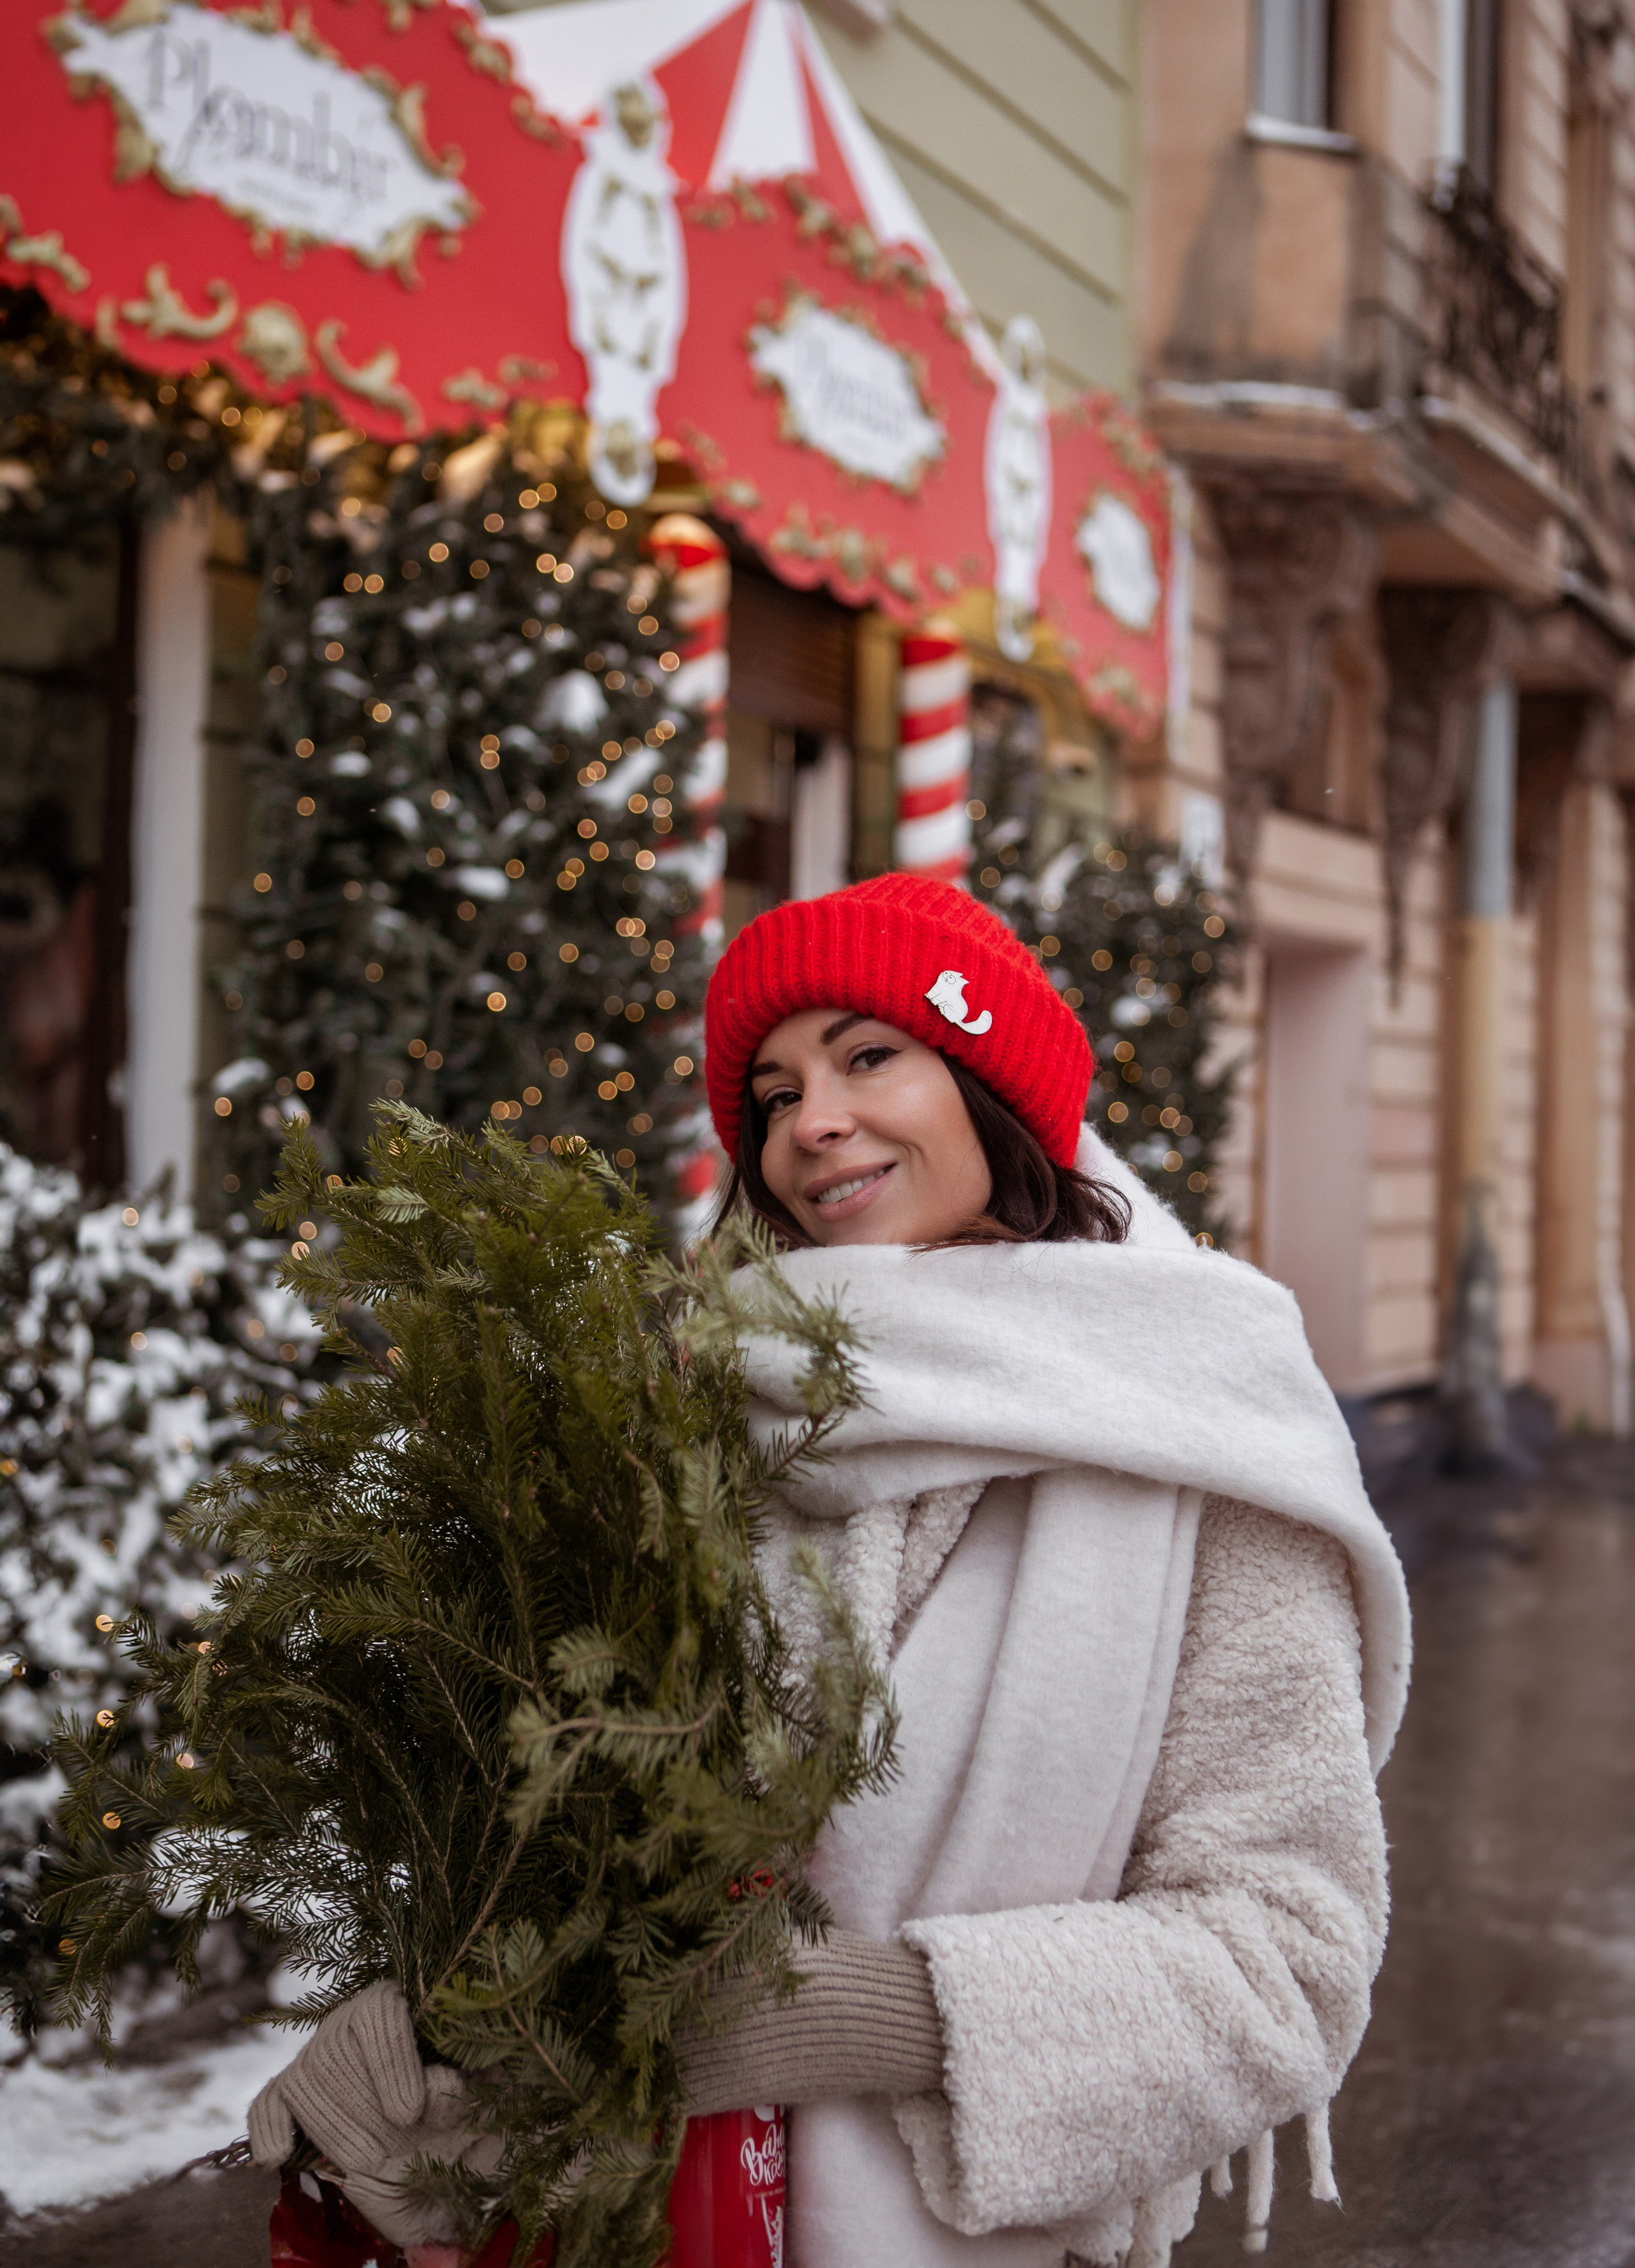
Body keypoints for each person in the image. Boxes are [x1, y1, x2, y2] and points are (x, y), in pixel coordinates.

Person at [250, 873, 1410, 2268]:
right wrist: (431, 2016)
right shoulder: (690, 1394)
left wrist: (869, 2010)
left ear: (989, 1087)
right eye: (773, 1091)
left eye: (870, 1055)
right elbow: (547, 1799)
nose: (813, 1120)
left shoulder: (1198, 1426)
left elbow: (1286, 1961)